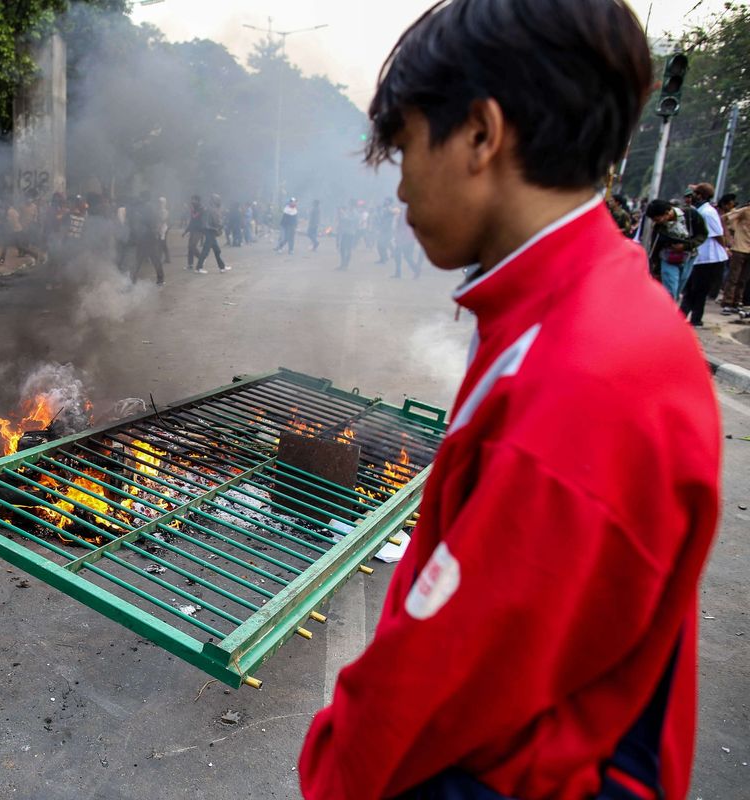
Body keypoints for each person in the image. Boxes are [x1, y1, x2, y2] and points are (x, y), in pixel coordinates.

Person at [299, 2, 719, 799]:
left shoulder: (582, 374)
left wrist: (333, 768)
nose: (400, 189)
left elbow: (438, 686)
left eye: (406, 150)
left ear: (482, 134)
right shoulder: (572, 304)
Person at [679, 182, 727, 327]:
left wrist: (725, 248)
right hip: (698, 255)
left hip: (708, 257)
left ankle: (693, 318)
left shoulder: (708, 212)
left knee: (699, 289)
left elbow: (718, 234)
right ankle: (686, 317)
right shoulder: (697, 210)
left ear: (701, 195)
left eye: (695, 194)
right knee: (693, 288)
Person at [646, 198, 707, 301]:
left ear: (667, 213)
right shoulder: (658, 227)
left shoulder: (690, 214)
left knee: (678, 288)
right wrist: (655, 269)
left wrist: (686, 246)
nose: (656, 222)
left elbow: (703, 234)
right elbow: (655, 246)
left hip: (688, 257)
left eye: (657, 219)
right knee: (670, 290)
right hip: (668, 258)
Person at [721, 196, 750, 313]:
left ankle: (737, 302)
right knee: (734, 278)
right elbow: (724, 218)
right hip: (739, 248)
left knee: (744, 279)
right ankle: (728, 302)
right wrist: (728, 238)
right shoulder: (745, 211)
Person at [129, 192, 164, 286]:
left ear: (144, 198)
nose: (139, 199)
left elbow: (152, 222)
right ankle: (133, 280)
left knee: (152, 258)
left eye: (141, 197)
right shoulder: (145, 207)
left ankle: (160, 279)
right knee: (143, 259)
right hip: (144, 237)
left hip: (149, 237)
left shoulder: (148, 208)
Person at [194, 193, 228, 274]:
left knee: (217, 250)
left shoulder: (210, 209)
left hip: (209, 230)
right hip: (210, 231)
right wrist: (218, 227)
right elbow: (211, 222)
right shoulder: (211, 210)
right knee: (206, 250)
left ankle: (222, 267)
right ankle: (199, 267)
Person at [183, 195, 204, 270]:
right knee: (189, 247)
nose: (192, 201)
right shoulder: (194, 208)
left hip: (199, 230)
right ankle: (190, 264)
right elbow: (192, 221)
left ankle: (201, 258)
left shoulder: (201, 208)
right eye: (192, 200)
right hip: (193, 230)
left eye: (194, 200)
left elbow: (195, 216)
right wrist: (186, 231)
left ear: (198, 201)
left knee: (192, 246)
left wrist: (191, 210)